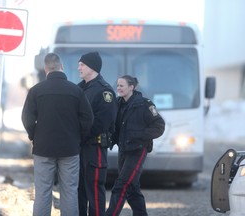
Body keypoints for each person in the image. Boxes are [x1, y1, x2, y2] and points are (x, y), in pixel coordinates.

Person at [21, 53, 94, 216]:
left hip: (43, 149)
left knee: (42, 192)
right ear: (62, 67)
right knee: (69, 192)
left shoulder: (36, 90)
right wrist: (78, 136)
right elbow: (88, 118)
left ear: (46, 69)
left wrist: (35, 136)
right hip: (70, 149)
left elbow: (26, 118)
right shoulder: (76, 91)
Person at [106, 75, 165, 216]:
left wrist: (139, 136)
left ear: (131, 87)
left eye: (122, 85)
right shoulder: (118, 103)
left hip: (137, 151)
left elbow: (159, 126)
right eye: (118, 85)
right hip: (123, 151)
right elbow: (116, 127)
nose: (118, 88)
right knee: (132, 188)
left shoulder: (145, 105)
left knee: (121, 185)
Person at [77, 51, 118, 216]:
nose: (78, 67)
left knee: (94, 189)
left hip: (95, 147)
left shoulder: (104, 91)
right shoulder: (78, 88)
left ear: (92, 67)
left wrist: (81, 135)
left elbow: (102, 122)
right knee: (78, 189)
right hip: (78, 147)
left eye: (82, 64)